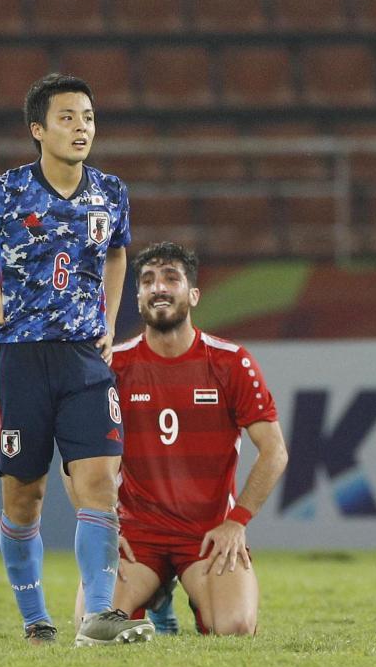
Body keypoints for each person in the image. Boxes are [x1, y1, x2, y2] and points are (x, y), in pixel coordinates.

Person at [0, 73, 152, 647]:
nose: (81, 128)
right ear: (38, 130)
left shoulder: (110, 193)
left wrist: (111, 317)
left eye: (89, 117)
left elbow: (118, 252)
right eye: (67, 117)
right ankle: (35, 617)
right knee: (26, 495)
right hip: (18, 359)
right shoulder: (1, 193)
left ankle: (98, 616)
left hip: (85, 361)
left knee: (100, 483)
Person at [69, 241, 288, 636]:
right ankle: (155, 592)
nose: (159, 288)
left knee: (235, 628)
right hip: (136, 535)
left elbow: (274, 453)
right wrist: (101, 527)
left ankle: (171, 591)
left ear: (193, 294)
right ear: (136, 297)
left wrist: (237, 522)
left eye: (172, 278)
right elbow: (75, 459)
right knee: (91, 626)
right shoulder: (112, 367)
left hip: (206, 535)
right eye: (148, 280)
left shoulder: (230, 362)